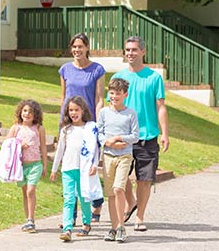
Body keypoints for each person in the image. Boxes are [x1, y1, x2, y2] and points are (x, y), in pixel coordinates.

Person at [111, 36, 170, 232]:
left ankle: (139, 216)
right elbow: (112, 107)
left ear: (143, 52)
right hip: (123, 137)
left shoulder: (154, 78)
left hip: (147, 136)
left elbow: (161, 107)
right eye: (127, 50)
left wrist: (165, 133)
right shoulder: (117, 78)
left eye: (134, 50)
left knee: (144, 179)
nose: (130, 53)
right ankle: (131, 201)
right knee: (119, 177)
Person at [59, 33, 106, 221]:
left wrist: (97, 123)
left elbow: (99, 98)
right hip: (69, 124)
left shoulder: (97, 70)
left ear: (87, 47)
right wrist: (62, 123)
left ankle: (96, 201)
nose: (77, 50)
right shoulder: (65, 70)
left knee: (88, 167)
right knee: (71, 167)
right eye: (74, 47)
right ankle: (72, 213)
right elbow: (63, 97)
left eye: (80, 46)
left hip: (88, 125)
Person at [50, 96, 102, 242]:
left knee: (84, 197)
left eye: (76, 110)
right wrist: (54, 169)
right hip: (68, 168)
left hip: (84, 169)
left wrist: (94, 165)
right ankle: (67, 228)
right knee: (68, 199)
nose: (73, 113)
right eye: (70, 110)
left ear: (83, 110)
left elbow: (96, 149)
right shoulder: (66, 130)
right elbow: (60, 151)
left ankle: (86, 223)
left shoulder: (90, 128)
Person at [97, 78, 139, 243]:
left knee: (118, 189)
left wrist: (120, 138)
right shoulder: (104, 113)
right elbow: (99, 132)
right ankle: (113, 228)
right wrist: (106, 142)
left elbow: (135, 136)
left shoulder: (131, 114)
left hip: (124, 156)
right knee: (110, 194)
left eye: (118, 94)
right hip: (108, 156)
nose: (114, 96)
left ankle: (122, 226)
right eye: (112, 93)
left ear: (125, 95)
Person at [6, 99, 48, 233]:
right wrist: (19, 144)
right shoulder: (15, 128)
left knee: (31, 191)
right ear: (20, 112)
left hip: (35, 164)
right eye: (25, 111)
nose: (27, 114)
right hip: (20, 166)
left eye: (31, 111)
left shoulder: (39, 129)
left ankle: (31, 219)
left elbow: (43, 148)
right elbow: (7, 144)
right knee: (25, 193)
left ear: (36, 114)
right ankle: (28, 220)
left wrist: (45, 165)